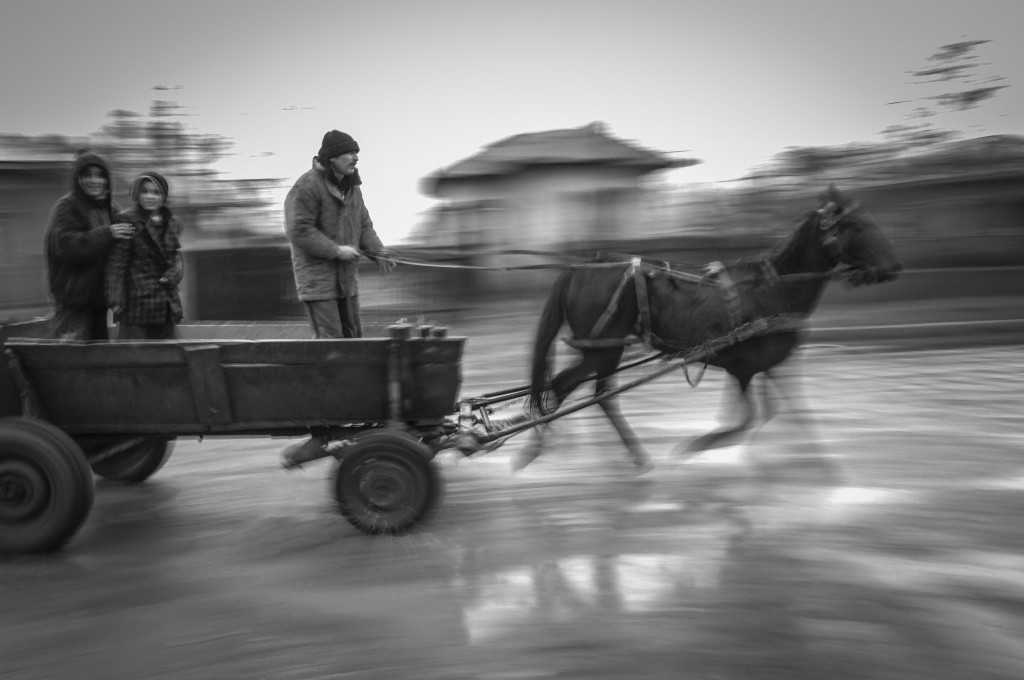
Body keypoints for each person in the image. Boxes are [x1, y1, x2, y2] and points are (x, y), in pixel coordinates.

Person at [284, 129, 395, 339]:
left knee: (353, 337)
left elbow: (363, 226)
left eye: (356, 152)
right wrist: (336, 251)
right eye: (349, 153)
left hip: (347, 281)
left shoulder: (353, 189)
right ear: (332, 158)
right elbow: (298, 230)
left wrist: (378, 252)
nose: (356, 157)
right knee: (332, 342)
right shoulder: (306, 186)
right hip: (319, 284)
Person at [44, 149, 134, 340]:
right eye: (87, 175)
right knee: (70, 357)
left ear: (107, 180)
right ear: (78, 179)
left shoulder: (111, 209)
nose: (94, 181)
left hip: (100, 302)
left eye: (100, 176)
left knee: (96, 359)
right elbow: (67, 247)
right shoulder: (67, 207)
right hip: (73, 302)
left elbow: (121, 255)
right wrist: (107, 233)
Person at [105, 172, 184, 340]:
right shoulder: (126, 220)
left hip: (166, 302)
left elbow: (176, 255)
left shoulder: (173, 222)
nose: (150, 196)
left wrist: (174, 274)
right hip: (137, 303)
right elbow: (117, 262)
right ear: (137, 194)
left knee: (167, 357)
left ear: (163, 196)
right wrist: (115, 297)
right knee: (133, 359)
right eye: (145, 191)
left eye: (156, 192)